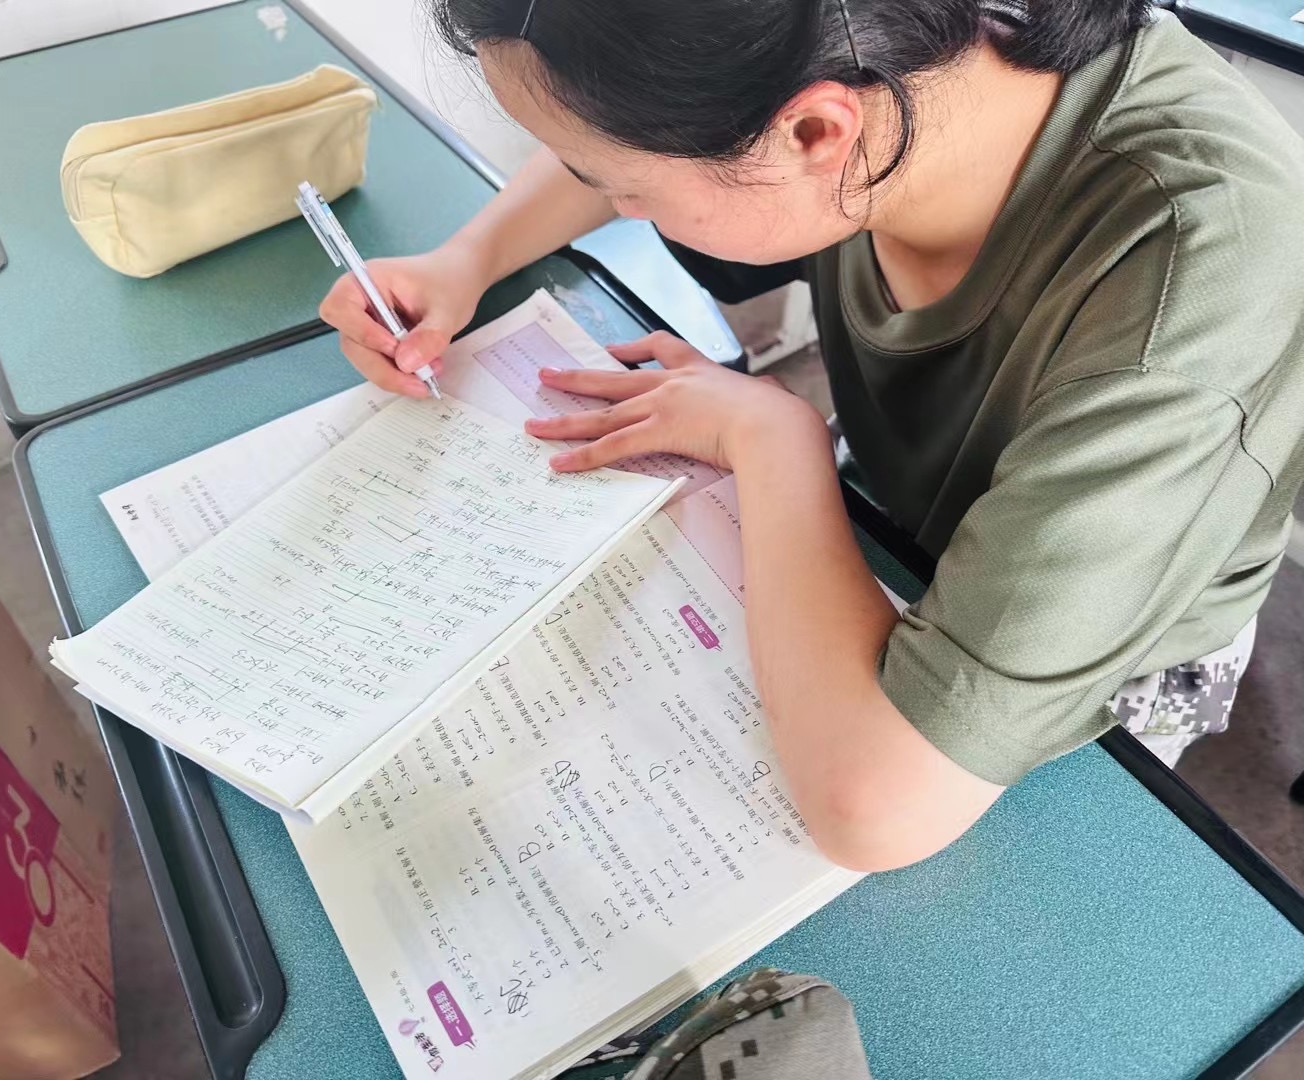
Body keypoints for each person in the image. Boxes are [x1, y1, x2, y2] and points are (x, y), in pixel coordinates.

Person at [319, 0, 1304, 871]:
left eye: (625, 188)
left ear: (813, 132)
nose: (613, 204)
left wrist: (773, 438)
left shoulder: (1191, 285)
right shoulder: (903, 73)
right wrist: (468, 257)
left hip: (1121, 645)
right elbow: (631, 129)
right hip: (905, 511)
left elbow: (879, 812)